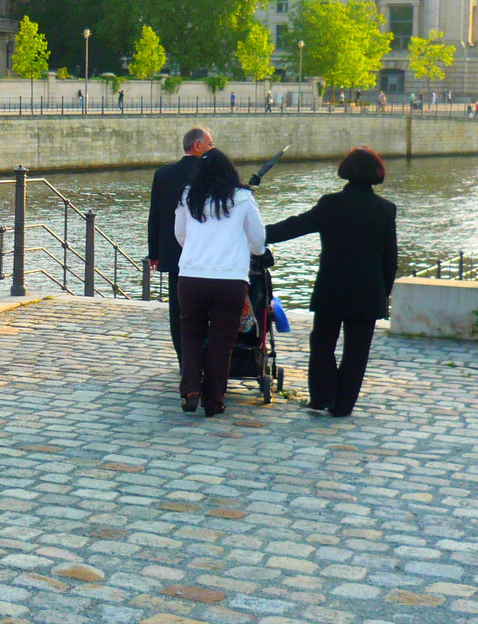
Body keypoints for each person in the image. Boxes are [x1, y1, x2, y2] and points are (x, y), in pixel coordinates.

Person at [265, 147, 397, 417]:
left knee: (323, 343)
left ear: (346, 171)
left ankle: (323, 396)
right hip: (368, 291)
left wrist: (261, 234)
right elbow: (390, 258)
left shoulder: (331, 204)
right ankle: (344, 405)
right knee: (357, 351)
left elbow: (296, 225)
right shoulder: (385, 209)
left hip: (332, 287)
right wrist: (383, 292)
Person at [174, 148, 265, 417]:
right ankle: (213, 401)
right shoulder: (243, 198)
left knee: (190, 333)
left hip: (191, 276)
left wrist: (197, 250)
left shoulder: (188, 196)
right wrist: (252, 251)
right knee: (221, 341)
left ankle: (190, 389)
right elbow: (258, 240)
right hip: (229, 279)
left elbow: (180, 235)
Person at [147, 127, 213, 358]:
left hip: (174, 256)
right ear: (197, 146)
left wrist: (153, 252)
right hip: (206, 255)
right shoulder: (211, 173)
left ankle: (183, 359)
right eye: (210, 144)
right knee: (205, 309)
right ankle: (203, 358)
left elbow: (154, 216)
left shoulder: (162, 174)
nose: (212, 149)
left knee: (177, 311)